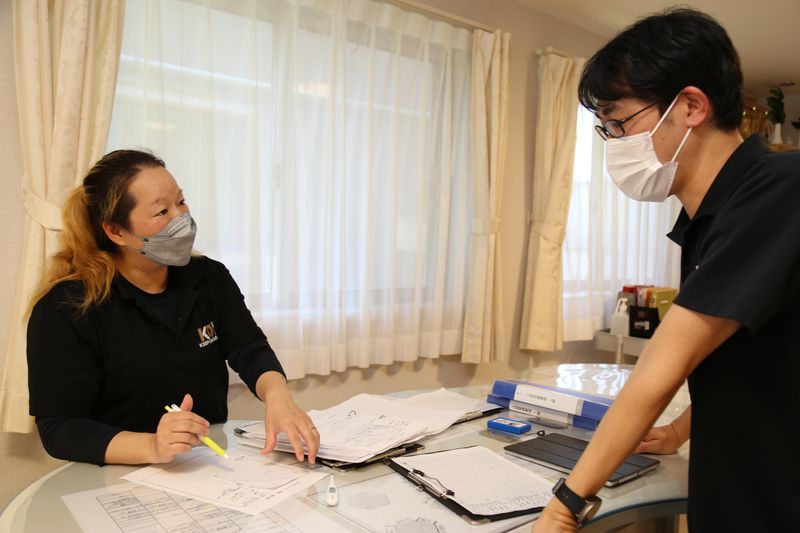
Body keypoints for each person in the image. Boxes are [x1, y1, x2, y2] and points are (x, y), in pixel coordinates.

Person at [533, 8, 800, 532]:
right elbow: (750, 355)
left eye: (620, 123)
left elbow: (662, 367)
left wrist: (564, 507)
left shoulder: (781, 190)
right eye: (605, 129)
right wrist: (678, 431)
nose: (614, 142)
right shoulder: (709, 218)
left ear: (692, 106)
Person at [27, 149, 320, 466]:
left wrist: (277, 396)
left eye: (181, 202)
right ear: (116, 231)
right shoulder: (66, 309)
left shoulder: (208, 278)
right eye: (162, 211)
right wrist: (152, 446)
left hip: (206, 464)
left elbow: (249, 348)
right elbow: (60, 429)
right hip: (118, 474)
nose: (181, 219)